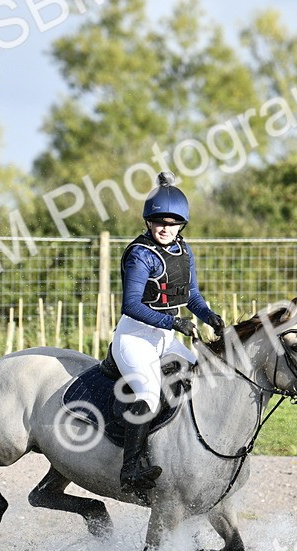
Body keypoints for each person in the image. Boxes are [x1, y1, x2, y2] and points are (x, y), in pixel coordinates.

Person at [114, 171, 225, 493]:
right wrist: (174, 323)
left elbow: (191, 295)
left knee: (202, 379)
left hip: (165, 340)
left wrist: (209, 316)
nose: (165, 228)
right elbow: (131, 305)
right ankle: (130, 470)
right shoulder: (141, 254)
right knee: (149, 395)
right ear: (148, 222)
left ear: (181, 226)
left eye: (172, 223)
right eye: (158, 222)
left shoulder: (183, 251)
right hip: (135, 339)